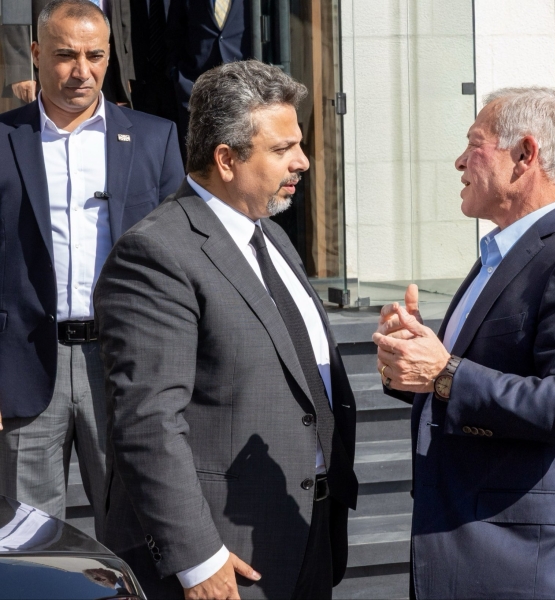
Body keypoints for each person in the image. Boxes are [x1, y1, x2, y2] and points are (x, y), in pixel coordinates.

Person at [373, 87, 555, 600]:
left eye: (474, 144)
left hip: (537, 568)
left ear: (525, 155)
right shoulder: (502, 253)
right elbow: (471, 375)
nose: (459, 161)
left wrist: (444, 373)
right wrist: (411, 363)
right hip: (478, 555)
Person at [94, 59, 358, 599]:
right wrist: (197, 559)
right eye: (283, 149)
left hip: (306, 533)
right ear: (226, 159)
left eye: (299, 144)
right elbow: (147, 422)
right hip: (224, 555)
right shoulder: (156, 252)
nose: (303, 161)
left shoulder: (272, 235)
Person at [0, 0, 183, 540]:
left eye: (94, 56)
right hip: (24, 369)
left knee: (137, 533)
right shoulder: (4, 139)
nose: (81, 71)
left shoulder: (154, 138)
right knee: (29, 543)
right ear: (36, 54)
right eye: (65, 55)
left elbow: (180, 261)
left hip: (126, 364)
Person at [164, 0, 257, 157]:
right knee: (200, 156)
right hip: (195, 86)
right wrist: (177, 74)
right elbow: (174, 31)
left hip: (245, 85)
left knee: (241, 154)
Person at [1, 0, 135, 106]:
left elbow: (123, 11)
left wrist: (125, 70)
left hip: (103, 58)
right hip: (50, 60)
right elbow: (14, 6)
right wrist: (21, 69)